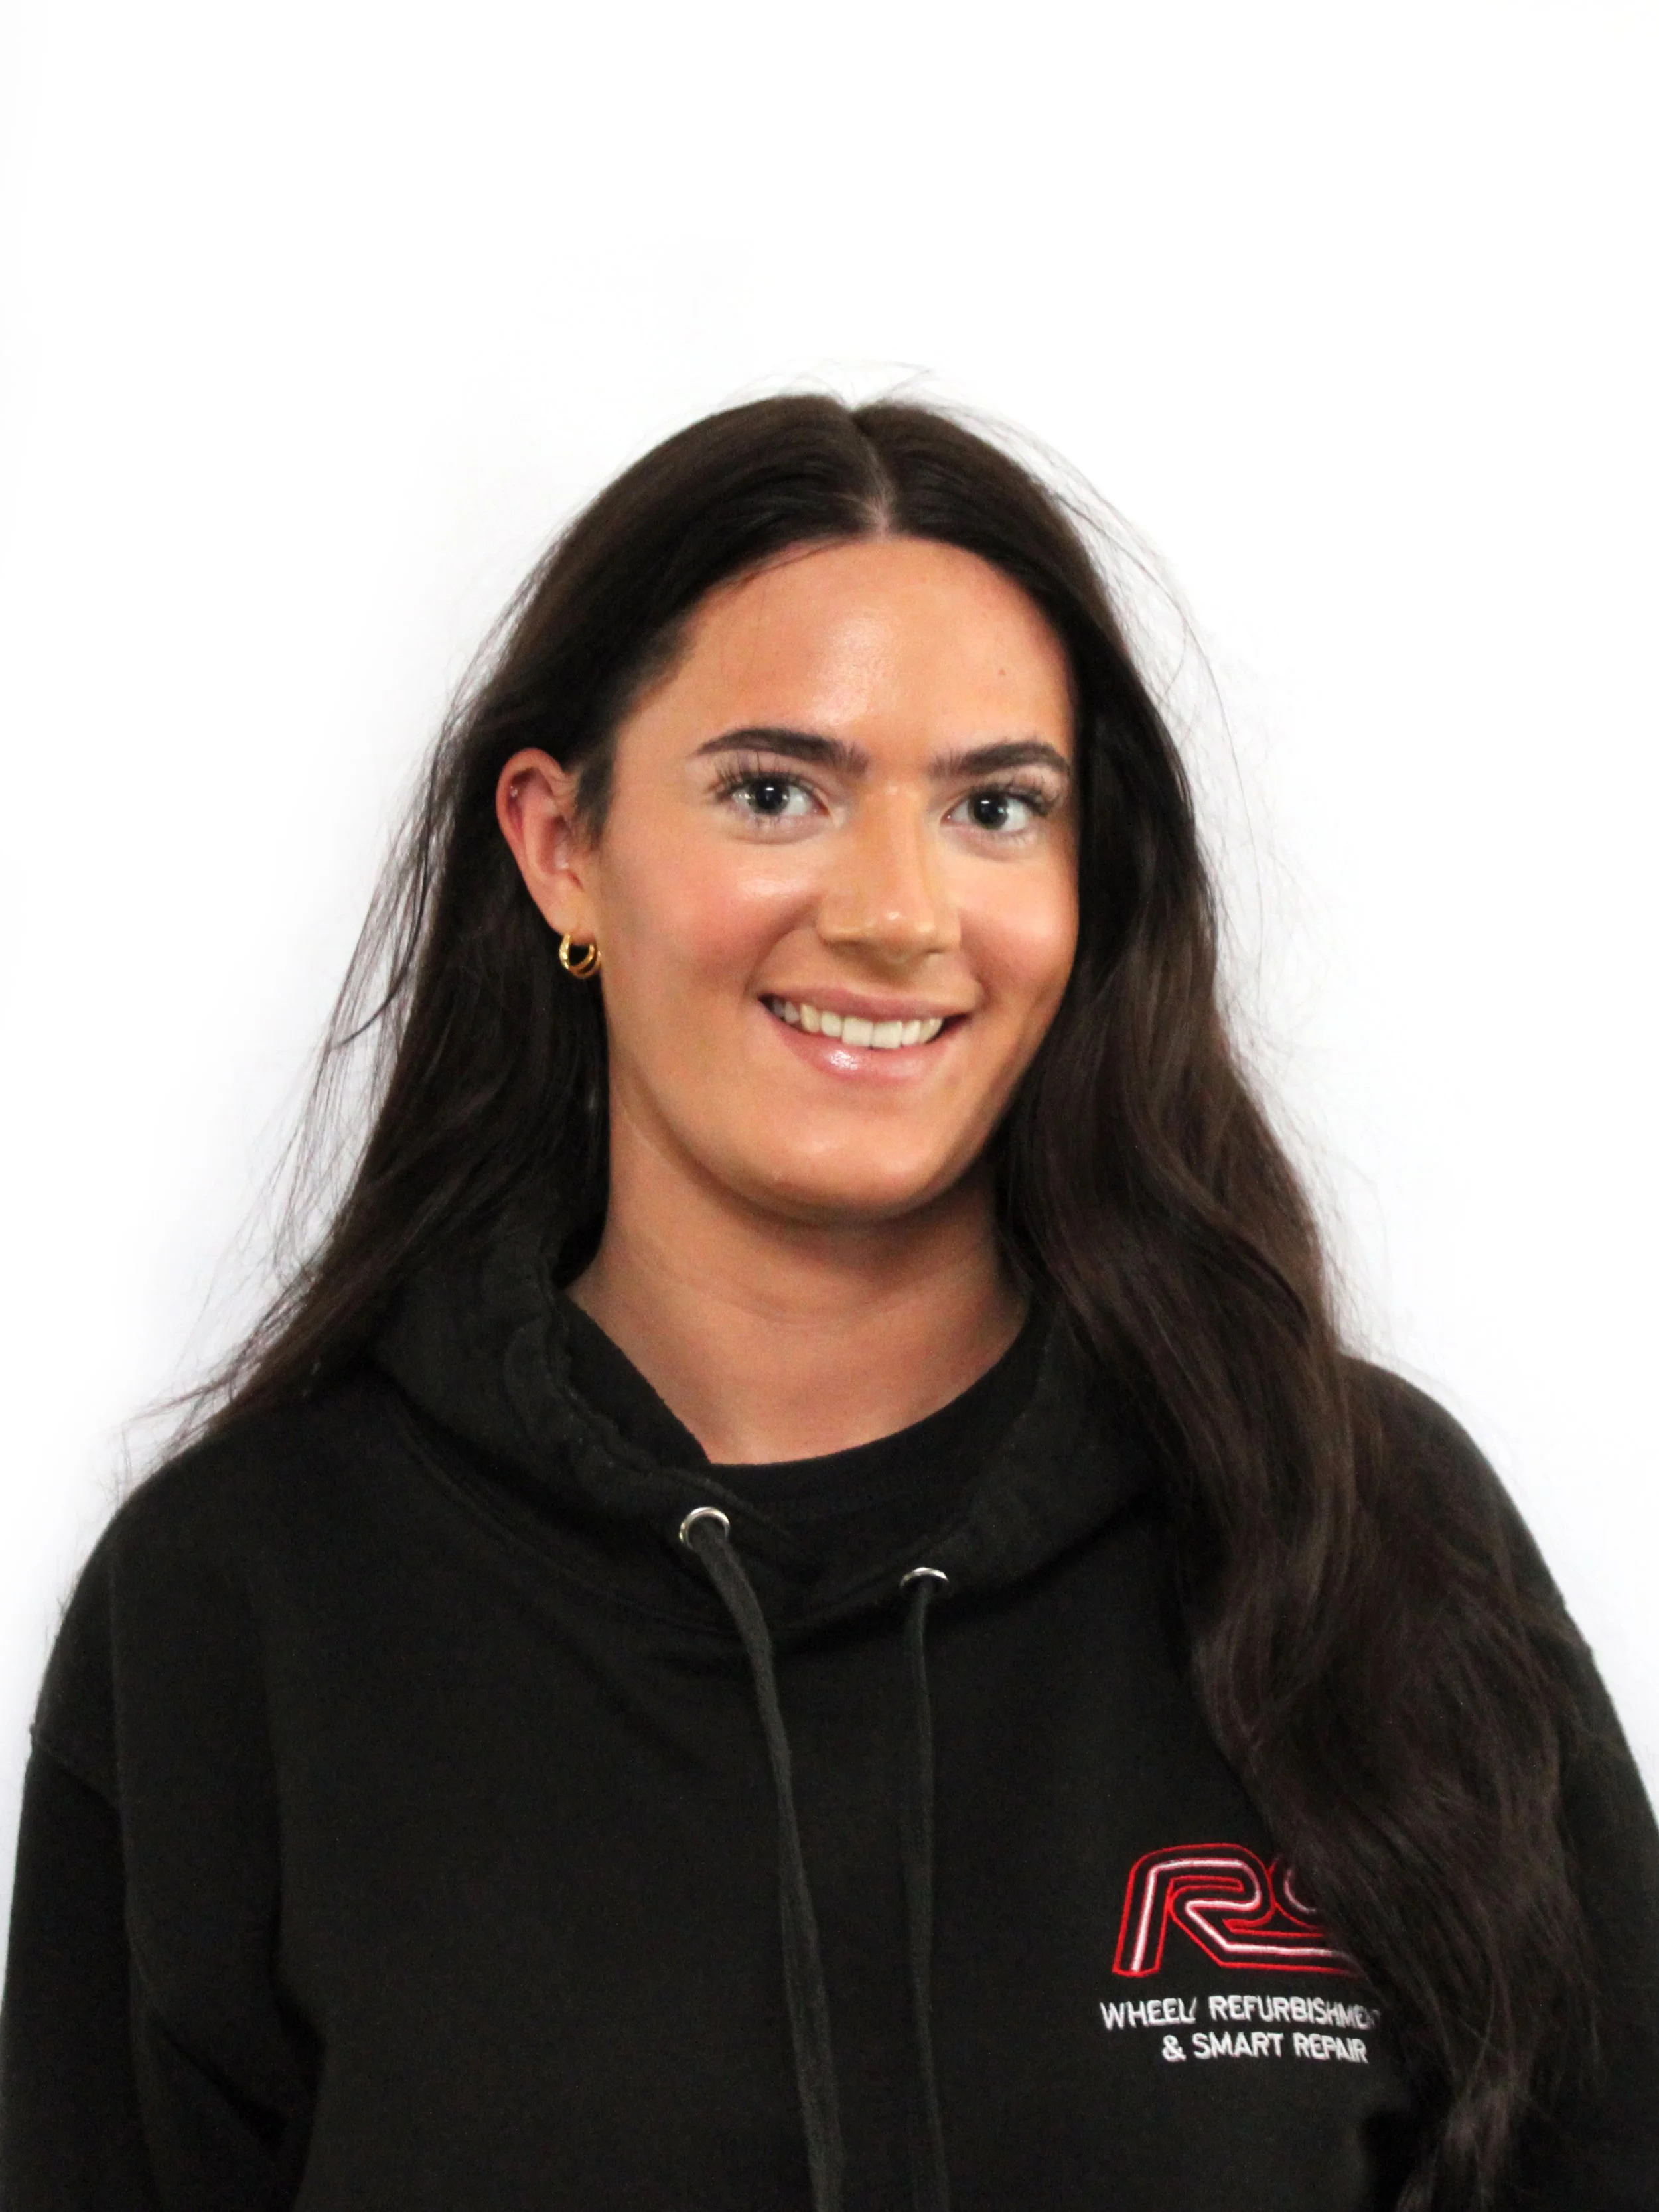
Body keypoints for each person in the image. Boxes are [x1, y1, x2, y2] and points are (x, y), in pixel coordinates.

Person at [1, 396, 1654, 2212]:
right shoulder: (248, 1601)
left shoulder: (1358, 1525)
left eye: (994, 806)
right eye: (773, 790)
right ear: (562, 845)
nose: (895, 912)